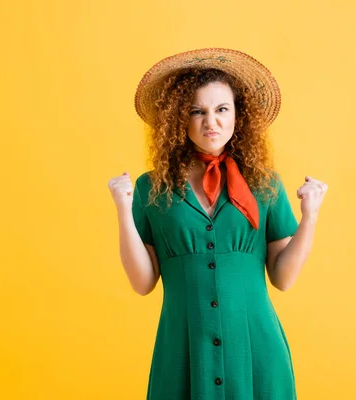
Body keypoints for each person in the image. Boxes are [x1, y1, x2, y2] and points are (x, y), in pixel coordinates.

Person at [108, 48, 328, 400]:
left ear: (238, 116)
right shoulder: (151, 188)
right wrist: (122, 207)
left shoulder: (265, 185)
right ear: (180, 118)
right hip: (183, 352)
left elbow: (283, 278)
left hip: (256, 350)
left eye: (222, 109)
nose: (211, 122)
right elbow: (142, 282)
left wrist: (310, 216)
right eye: (197, 111)